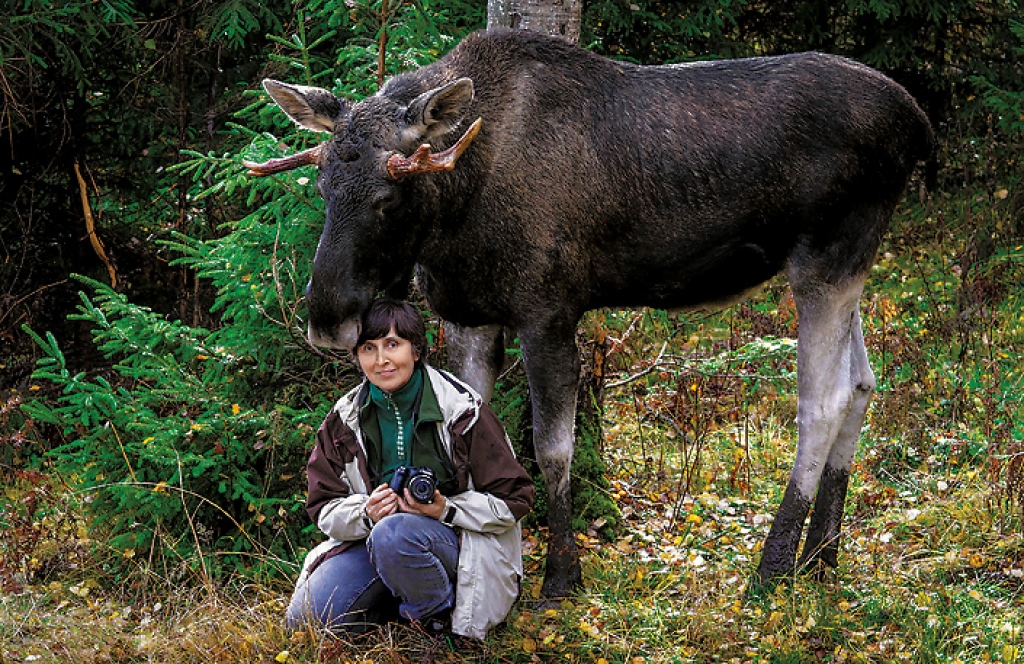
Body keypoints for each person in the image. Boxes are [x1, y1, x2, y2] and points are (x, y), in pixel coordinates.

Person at [286, 299, 535, 640]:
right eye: (368, 348)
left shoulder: (463, 410)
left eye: (392, 344)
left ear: (416, 350)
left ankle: (434, 623)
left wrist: (444, 510)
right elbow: (323, 505)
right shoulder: (344, 419)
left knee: (395, 534)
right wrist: (366, 512)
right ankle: (400, 596)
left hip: (462, 544)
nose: (381, 360)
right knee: (308, 619)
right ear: (357, 356)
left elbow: (515, 500)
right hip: (374, 541)